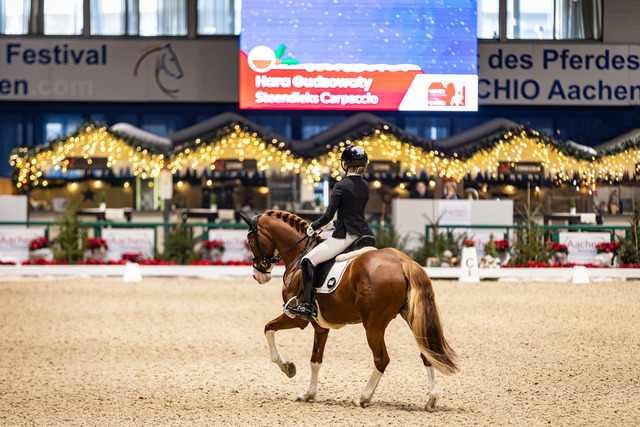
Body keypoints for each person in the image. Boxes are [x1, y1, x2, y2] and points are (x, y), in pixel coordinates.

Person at [286, 145, 374, 320]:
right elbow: (353, 215)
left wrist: (313, 226)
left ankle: (307, 305)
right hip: (364, 235)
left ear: (346, 164)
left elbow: (327, 215)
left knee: (307, 261)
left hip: (346, 237)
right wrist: (330, 226)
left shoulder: (341, 186)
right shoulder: (365, 186)